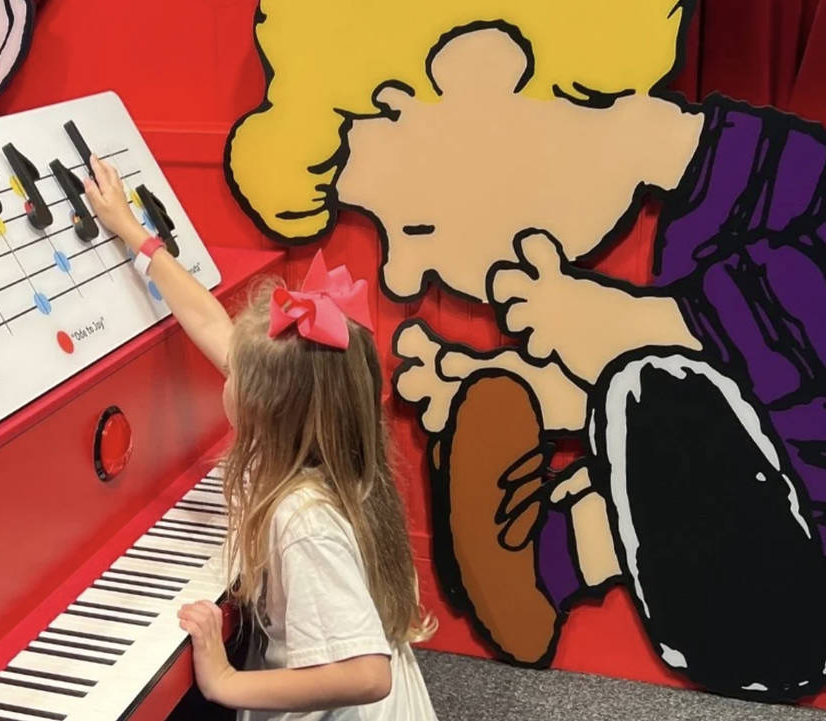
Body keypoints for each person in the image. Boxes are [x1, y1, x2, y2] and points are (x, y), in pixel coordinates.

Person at [224, 0, 826, 701]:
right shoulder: (699, 217)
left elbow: (774, 327)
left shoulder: (794, 182)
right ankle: (542, 575)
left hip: (786, 589)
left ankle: (561, 563)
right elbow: (728, 384)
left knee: (657, 395)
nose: (400, 276)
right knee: (649, 402)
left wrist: (630, 319)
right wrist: (502, 384)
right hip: (744, 535)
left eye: (414, 224)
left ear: (485, 69)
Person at [84, 155, 438, 720]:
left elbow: (368, 674)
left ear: (265, 407)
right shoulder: (335, 448)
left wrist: (226, 684)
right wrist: (133, 234)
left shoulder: (302, 517)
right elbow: (209, 323)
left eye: (237, 376)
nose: (228, 372)